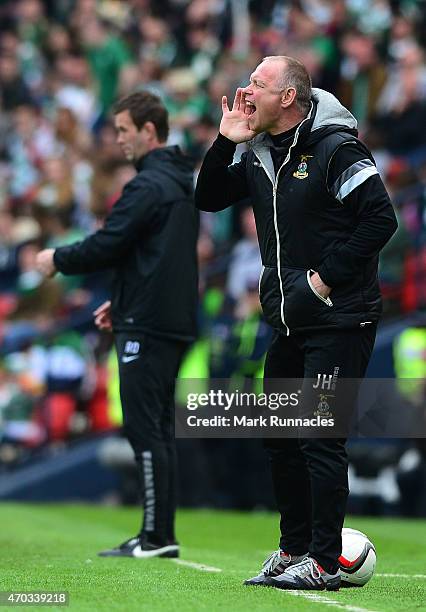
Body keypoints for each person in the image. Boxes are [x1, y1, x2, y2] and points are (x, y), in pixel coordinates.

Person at [195, 55, 397, 590]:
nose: (245, 91)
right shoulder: (260, 151)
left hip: (340, 317)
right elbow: (208, 197)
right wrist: (225, 140)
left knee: (318, 437)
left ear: (287, 97)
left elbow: (381, 218)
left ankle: (327, 562)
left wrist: (323, 281)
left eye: (257, 84)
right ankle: (294, 550)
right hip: (287, 320)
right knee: (282, 437)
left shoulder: (337, 148)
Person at [36, 91, 199, 559]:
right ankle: (159, 534)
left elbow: (109, 243)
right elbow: (153, 257)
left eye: (125, 130)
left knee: (146, 431)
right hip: (164, 317)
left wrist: (56, 259)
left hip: (148, 325)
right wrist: (123, 300)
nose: (119, 139)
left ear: (150, 131)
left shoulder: (147, 186)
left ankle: (154, 537)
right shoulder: (180, 181)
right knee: (159, 430)